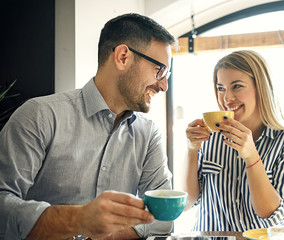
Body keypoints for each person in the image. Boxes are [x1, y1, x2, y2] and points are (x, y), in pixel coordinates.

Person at [0, 13, 177, 240]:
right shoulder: (40, 116)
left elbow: (163, 217)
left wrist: (108, 235)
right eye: (159, 70)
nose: (164, 85)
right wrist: (77, 220)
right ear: (123, 57)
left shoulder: (149, 134)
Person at [182, 50, 284, 231]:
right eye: (221, 88)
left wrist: (251, 156)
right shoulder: (210, 135)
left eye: (237, 86)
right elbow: (187, 202)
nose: (227, 98)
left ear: (260, 87)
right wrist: (192, 149)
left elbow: (271, 213)